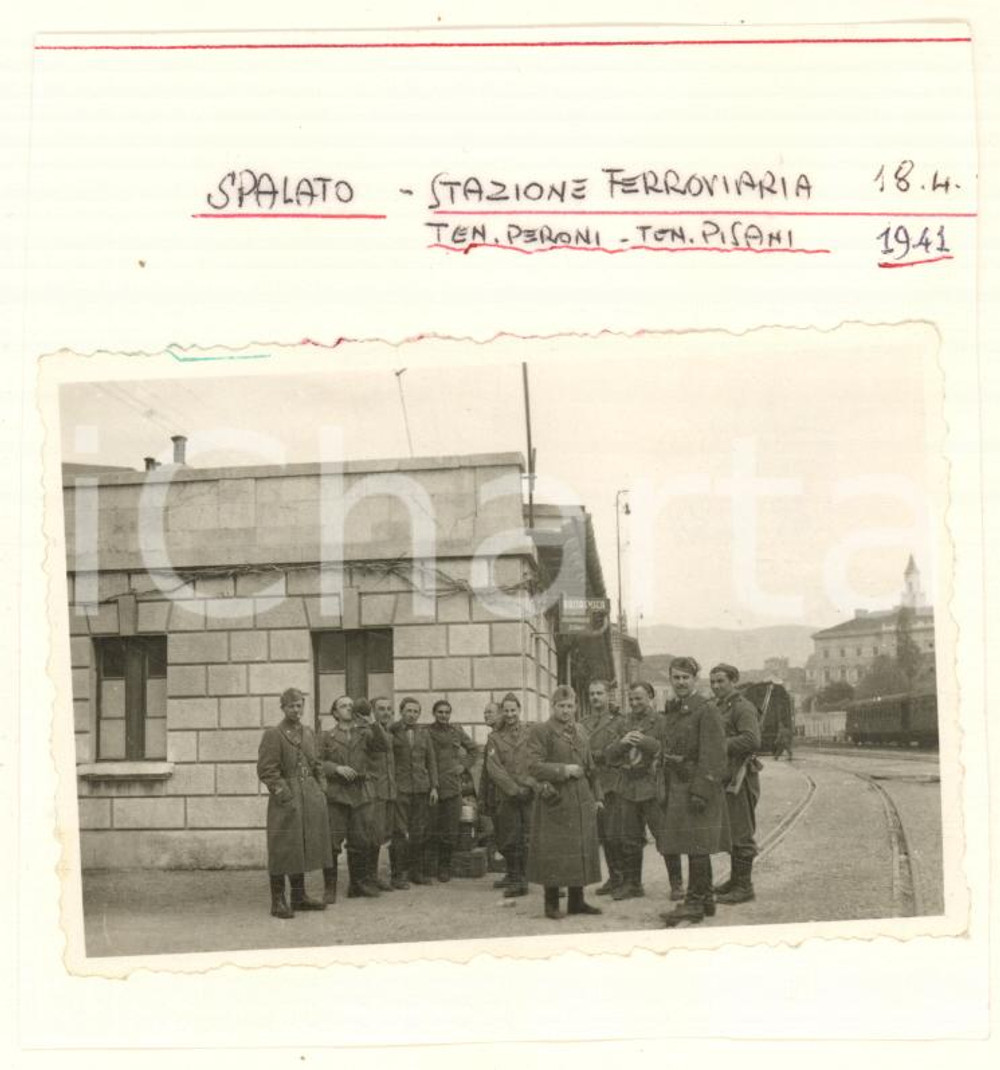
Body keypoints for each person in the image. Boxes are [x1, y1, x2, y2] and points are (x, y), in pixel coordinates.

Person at [656, 657, 732, 926]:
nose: (680, 683)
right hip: (680, 784)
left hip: (697, 788)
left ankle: (694, 903)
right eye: (676, 678)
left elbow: (715, 754)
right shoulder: (676, 709)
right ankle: (706, 899)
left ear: (695, 680)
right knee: (694, 846)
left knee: (696, 846)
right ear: (671, 680)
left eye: (685, 678)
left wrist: (701, 791)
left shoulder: (705, 709)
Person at [526, 684, 603, 919]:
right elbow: (533, 766)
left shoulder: (580, 730)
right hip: (556, 801)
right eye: (561, 706)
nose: (566, 711)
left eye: (570, 706)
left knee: (579, 850)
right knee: (555, 852)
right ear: (553, 707)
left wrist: (597, 796)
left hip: (581, 800)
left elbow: (590, 767)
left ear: (576, 707)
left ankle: (577, 902)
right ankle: (551, 904)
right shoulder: (541, 731)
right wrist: (564, 770)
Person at [256, 688, 331, 918]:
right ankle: (278, 901)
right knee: (282, 848)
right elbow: (267, 770)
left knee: (302, 847)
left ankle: (299, 897)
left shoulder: (308, 733)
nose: (296, 710)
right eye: (291, 706)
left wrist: (321, 787)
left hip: (309, 796)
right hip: (286, 799)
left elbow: (317, 763)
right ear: (283, 708)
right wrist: (284, 795)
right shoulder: (274, 734)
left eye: (299, 705)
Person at [318, 694, 388, 900]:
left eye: (350, 705)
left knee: (360, 841)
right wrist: (336, 768)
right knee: (332, 843)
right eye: (343, 705)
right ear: (335, 713)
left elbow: (383, 746)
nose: (348, 708)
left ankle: (356, 885)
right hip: (337, 794)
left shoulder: (365, 733)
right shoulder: (326, 736)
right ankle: (329, 888)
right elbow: (317, 762)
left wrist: (373, 722)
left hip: (361, 793)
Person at [604, 681, 666, 900]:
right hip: (629, 787)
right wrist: (622, 743)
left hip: (651, 785)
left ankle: (677, 885)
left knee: (664, 835)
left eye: (639, 698)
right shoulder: (624, 722)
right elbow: (609, 755)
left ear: (650, 697)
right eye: (631, 699)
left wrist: (647, 742)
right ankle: (633, 885)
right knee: (630, 837)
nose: (634, 703)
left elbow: (667, 750)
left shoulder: (660, 721)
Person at [709, 664, 763, 905]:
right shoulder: (718, 707)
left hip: (741, 779)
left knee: (741, 832)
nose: (716, 686)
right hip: (726, 778)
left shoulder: (743, 707)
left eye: (721, 681)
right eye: (713, 682)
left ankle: (744, 886)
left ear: (733, 681)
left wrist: (719, 743)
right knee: (732, 831)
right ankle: (735, 880)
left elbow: (752, 739)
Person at [486, 693, 536, 898]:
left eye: (513, 710)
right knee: (508, 837)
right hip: (507, 796)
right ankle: (514, 878)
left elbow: (537, 760)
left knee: (529, 836)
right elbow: (494, 767)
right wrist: (514, 790)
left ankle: (524, 878)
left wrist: (528, 785)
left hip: (529, 794)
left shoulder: (531, 733)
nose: (509, 714)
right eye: (505, 711)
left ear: (519, 710)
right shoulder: (494, 738)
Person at [425, 699, 479, 882]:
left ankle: (444, 867)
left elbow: (474, 750)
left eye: (447, 712)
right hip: (431, 786)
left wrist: (463, 767)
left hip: (451, 786)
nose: (443, 715)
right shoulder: (426, 732)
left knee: (449, 829)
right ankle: (428, 867)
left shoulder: (456, 731)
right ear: (434, 713)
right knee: (431, 826)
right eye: (440, 712)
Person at [581, 679, 625, 896]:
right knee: (601, 834)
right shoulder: (583, 723)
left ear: (608, 696)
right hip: (591, 784)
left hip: (611, 784)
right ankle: (614, 877)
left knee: (613, 833)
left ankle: (621, 878)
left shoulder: (619, 722)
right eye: (592, 694)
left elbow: (621, 750)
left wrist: (599, 756)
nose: (595, 698)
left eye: (599, 693)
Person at [389, 696, 438, 885]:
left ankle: (415, 872)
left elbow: (431, 761)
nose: (412, 715)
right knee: (399, 832)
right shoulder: (392, 730)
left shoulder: (424, 733)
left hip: (421, 788)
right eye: (408, 711)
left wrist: (433, 787)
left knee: (419, 831)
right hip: (400, 788)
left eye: (415, 711)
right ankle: (397, 875)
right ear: (401, 711)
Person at [367, 695, 401, 890]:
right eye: (381, 709)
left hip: (389, 791)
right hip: (375, 792)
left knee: (382, 836)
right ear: (373, 712)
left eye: (389, 709)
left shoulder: (389, 731)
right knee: (373, 836)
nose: (386, 712)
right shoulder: (370, 732)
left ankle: (375, 877)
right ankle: (370, 878)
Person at [479, 700, 507, 885]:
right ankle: (511, 873)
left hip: (503, 792)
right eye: (485, 713)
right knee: (501, 833)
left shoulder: (503, 737)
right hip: (492, 793)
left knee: (508, 833)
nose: (486, 716)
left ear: (500, 714)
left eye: (490, 712)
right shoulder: (492, 736)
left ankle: (516, 875)